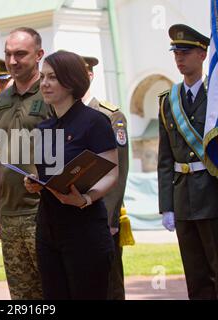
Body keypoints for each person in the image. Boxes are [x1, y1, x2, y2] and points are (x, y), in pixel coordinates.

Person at [24, 50, 118, 299]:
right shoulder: (44, 127)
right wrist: (34, 183)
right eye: (42, 77)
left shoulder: (95, 121)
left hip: (84, 230)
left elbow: (111, 172)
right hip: (48, 230)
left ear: (71, 81)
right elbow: (45, 174)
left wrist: (85, 199)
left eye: (52, 77)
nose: (44, 83)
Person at [0, 27, 54, 299]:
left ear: (39, 55)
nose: (12, 61)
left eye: (20, 54)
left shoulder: (52, 94)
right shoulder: (0, 102)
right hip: (10, 216)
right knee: (21, 295)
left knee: (53, 289)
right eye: (8, 54)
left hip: (44, 213)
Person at [158, 24, 218, 300]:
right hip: (183, 199)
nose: (179, 58)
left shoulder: (215, 97)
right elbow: (165, 159)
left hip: (212, 195)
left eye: (186, 52)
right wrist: (166, 206)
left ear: (203, 55)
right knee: (195, 275)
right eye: (176, 53)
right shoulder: (168, 101)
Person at [82, 56, 129, 300]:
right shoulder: (61, 115)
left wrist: (110, 219)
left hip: (102, 212)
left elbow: (118, 171)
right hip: (74, 210)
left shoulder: (111, 116)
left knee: (109, 281)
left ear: (90, 76)